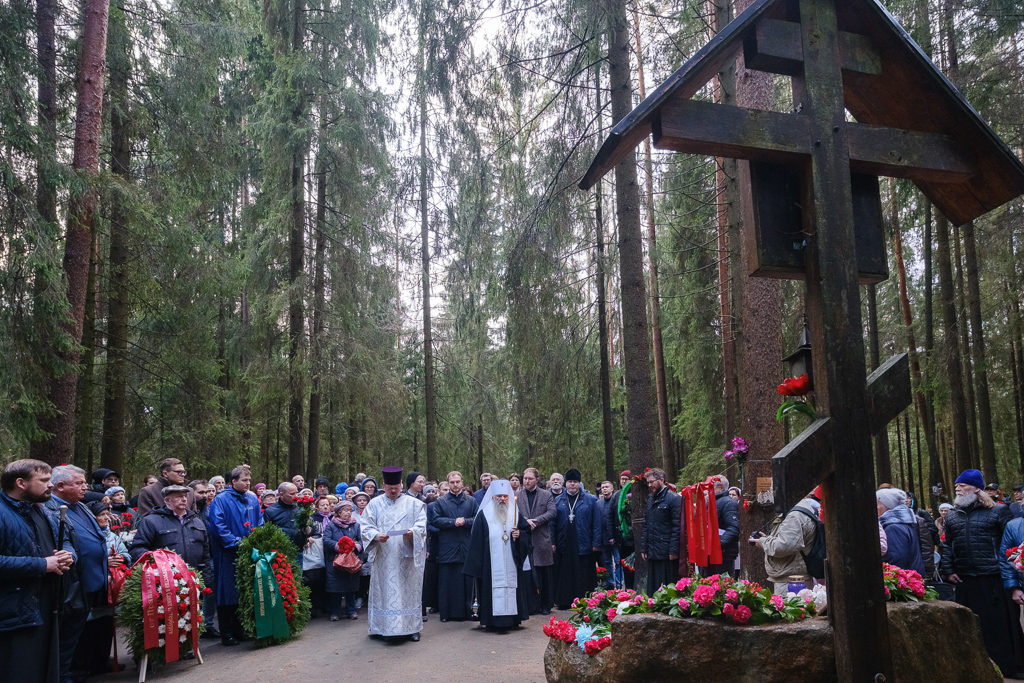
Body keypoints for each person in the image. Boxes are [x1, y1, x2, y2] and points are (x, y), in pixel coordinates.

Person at [942, 468, 1023, 677]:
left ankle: (1011, 668)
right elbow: (948, 545)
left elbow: (1012, 545)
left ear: (976, 488)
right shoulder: (952, 515)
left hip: (994, 579)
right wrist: (948, 570)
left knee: (1001, 627)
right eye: (956, 485)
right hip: (966, 579)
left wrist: (1013, 578)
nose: (957, 488)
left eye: (962, 485)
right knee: (971, 627)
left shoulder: (998, 511)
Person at [1, 460, 76, 683]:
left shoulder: (40, 509)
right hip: (12, 615)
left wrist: (67, 554)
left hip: (44, 608)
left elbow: (63, 540)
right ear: (21, 483)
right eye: (44, 480)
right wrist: (43, 565)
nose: (50, 485)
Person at [48, 465, 123, 681]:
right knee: (68, 639)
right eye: (79, 483)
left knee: (83, 635)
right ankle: (67, 675)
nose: (85, 487)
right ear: (60, 486)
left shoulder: (79, 506)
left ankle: (78, 671)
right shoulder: (51, 509)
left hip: (92, 583)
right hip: (71, 587)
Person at [360, 467, 427, 642]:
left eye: (396, 487)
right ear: (384, 485)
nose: (393, 490)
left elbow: (422, 524)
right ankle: (383, 627)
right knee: (385, 592)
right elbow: (365, 526)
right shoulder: (374, 504)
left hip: (407, 556)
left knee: (409, 591)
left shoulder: (414, 504)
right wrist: (375, 535)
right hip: (384, 555)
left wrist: (413, 532)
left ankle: (412, 627)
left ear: (401, 485)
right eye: (390, 487)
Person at [464, 479, 531, 630]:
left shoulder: (515, 514)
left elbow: (526, 533)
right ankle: (492, 621)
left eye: (505, 496)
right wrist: (477, 566)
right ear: (493, 496)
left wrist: (520, 535)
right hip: (490, 564)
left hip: (512, 562)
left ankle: (513, 619)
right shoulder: (484, 515)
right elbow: (476, 542)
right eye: (499, 496)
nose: (502, 499)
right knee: (490, 589)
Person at [207, 466, 262, 646]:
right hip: (227, 554)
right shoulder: (221, 500)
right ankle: (226, 632)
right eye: (244, 480)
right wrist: (237, 542)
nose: (247, 483)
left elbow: (259, 523)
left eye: (249, 480)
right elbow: (218, 527)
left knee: (244, 590)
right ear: (233, 481)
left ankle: (240, 630)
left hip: (248, 552)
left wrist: (256, 540)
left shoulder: (252, 500)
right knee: (227, 593)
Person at [129, 485, 212, 589]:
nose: (184, 499)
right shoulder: (151, 521)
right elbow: (137, 549)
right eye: (179, 496)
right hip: (163, 583)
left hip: (194, 580)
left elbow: (205, 554)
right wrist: (157, 560)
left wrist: (206, 581)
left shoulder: (197, 521)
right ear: (167, 500)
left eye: (185, 496)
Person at [430, 471, 479, 622]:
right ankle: (446, 613)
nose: (455, 484)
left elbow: (477, 519)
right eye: (452, 482)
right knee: (447, 581)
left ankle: (467, 612)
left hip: (466, 545)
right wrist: (452, 522)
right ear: (448, 483)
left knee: (466, 581)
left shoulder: (471, 501)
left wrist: (465, 521)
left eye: (458, 482)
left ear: (462, 482)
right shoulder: (441, 502)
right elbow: (435, 520)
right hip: (448, 547)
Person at [749, 495, 820, 595]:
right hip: (792, 577)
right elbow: (788, 539)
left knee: (791, 609)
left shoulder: (795, 516)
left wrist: (763, 542)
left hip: (792, 582)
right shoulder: (797, 510)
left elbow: (783, 547)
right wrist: (767, 539)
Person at [552, 469, 602, 609]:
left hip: (583, 541)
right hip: (564, 542)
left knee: (583, 572)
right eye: (570, 482)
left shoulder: (591, 500)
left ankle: (584, 600)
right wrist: (553, 542)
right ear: (565, 484)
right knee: (565, 572)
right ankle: (565, 600)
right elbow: (552, 524)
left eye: (575, 482)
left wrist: (596, 542)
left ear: (579, 484)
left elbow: (597, 522)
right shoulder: (558, 500)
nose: (572, 485)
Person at [518, 467, 556, 614]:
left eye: (530, 479)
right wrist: (525, 522)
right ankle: (529, 605)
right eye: (525, 479)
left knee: (543, 573)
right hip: (524, 539)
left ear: (536, 480)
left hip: (541, 539)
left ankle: (545, 605)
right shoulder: (517, 495)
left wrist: (537, 521)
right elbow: (513, 513)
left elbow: (552, 512)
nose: (526, 481)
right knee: (527, 574)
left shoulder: (546, 495)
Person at [640, 468, 682, 592]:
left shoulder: (673, 499)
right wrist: (644, 547)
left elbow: (677, 526)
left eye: (652, 482)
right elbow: (647, 525)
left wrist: (673, 550)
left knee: (666, 585)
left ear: (661, 480)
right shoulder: (651, 499)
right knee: (653, 587)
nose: (649, 485)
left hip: (666, 551)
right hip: (653, 550)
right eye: (648, 482)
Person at [323, 500, 363, 621]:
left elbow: (361, 540)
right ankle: (335, 612)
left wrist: (355, 546)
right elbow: (326, 540)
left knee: (350, 586)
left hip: (351, 560)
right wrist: (339, 546)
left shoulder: (355, 525)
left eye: (350, 511)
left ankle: (351, 610)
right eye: (345, 510)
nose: (348, 513)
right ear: (338, 512)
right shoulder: (331, 525)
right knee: (336, 587)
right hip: (335, 560)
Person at [188, 479, 217, 637]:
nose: (205, 495)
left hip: (208, 557)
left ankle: (207, 624)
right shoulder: (186, 511)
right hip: (190, 557)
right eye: (201, 492)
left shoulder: (209, 510)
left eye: (207, 492)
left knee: (209, 591)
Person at [876, 488, 925, 575]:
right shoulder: (902, 522)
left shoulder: (893, 527)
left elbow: (895, 560)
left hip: (903, 583)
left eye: (877, 504)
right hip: (911, 579)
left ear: (887, 506)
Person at [304, 496, 332, 618]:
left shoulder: (334, 518)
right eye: (322, 505)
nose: (325, 507)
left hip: (330, 550)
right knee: (316, 577)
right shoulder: (312, 518)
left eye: (327, 504)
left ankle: (327, 605)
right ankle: (315, 606)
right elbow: (306, 532)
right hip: (316, 550)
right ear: (317, 506)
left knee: (329, 577)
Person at [265, 481, 306, 554]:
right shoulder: (270, 511)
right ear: (281, 495)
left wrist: (308, 532)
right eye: (292, 494)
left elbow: (309, 527)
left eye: (296, 493)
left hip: (298, 550)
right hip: (279, 552)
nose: (296, 496)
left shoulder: (301, 509)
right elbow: (266, 532)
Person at [595, 481, 616, 587]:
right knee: (607, 561)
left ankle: (619, 582)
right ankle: (610, 582)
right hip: (603, 538)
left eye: (607, 487)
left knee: (617, 561)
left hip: (615, 537)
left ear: (612, 489)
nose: (604, 489)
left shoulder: (616, 501)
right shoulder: (598, 503)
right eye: (603, 487)